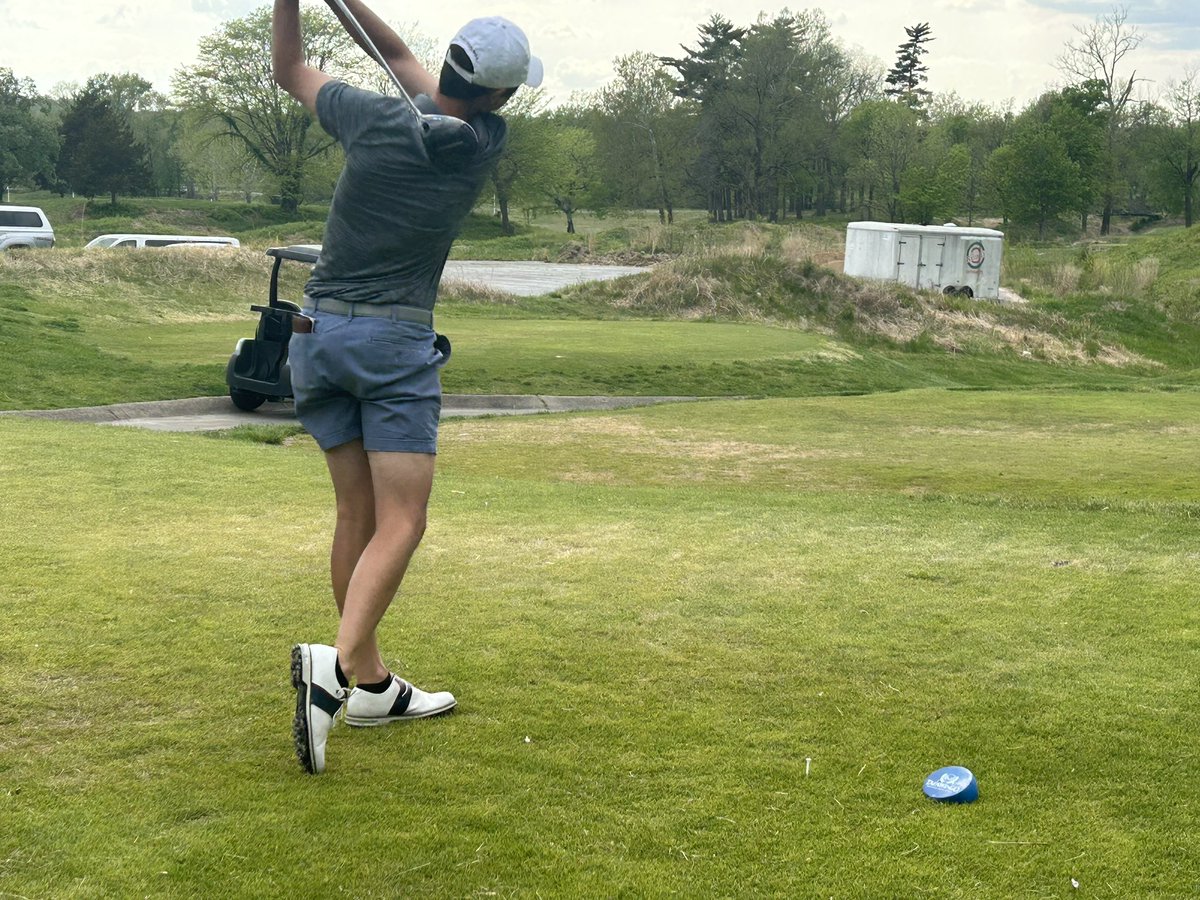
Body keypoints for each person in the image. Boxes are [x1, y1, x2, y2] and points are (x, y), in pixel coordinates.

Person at [271, 0, 542, 774]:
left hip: (316, 335)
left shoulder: (369, 118)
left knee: (357, 512)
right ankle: (337, 664)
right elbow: (396, 53)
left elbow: (290, 69)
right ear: (501, 96)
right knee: (404, 520)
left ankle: (371, 684)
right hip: (390, 344)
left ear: (451, 64)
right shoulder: (483, 140)